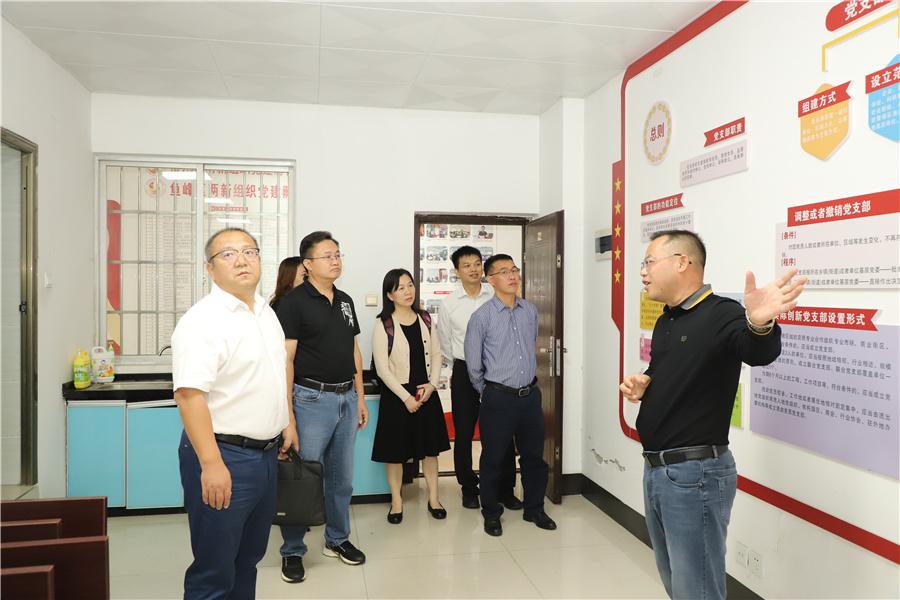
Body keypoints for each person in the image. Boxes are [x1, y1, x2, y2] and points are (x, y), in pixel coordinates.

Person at [619, 230, 806, 600]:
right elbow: (673, 371)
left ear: (682, 262)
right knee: (677, 582)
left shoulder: (722, 313)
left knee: (697, 589)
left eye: (649, 262)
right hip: (658, 471)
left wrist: (760, 323)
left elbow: (756, 351)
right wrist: (645, 383)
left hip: (695, 475)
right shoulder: (668, 319)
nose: (642, 272)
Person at [172, 227, 297, 599]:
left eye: (249, 251)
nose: (241, 260)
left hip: (267, 455)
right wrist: (211, 465)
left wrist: (286, 421)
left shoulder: (265, 312)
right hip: (224, 456)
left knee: (248, 559)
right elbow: (189, 396)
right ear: (210, 269)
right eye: (228, 254)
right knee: (214, 571)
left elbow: (276, 371)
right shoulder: (202, 321)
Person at [276, 231, 368, 583]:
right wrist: (288, 417)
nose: (335, 261)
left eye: (338, 254)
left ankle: (337, 539)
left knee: (341, 479)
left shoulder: (345, 300)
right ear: (308, 264)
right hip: (310, 400)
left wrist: (360, 396)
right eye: (327, 256)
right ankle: (292, 550)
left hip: (346, 398)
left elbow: (353, 349)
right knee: (302, 479)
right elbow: (286, 360)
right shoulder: (293, 303)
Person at [464, 253, 555, 537]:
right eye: (503, 272)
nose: (512, 276)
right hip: (498, 398)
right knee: (493, 459)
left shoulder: (530, 311)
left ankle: (534, 509)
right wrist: (487, 392)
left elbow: (529, 347)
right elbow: (473, 364)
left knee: (534, 457)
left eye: (514, 270)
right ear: (490, 280)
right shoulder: (481, 317)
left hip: (530, 396)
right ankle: (491, 513)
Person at [437, 246, 521, 511]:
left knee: (501, 431)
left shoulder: (495, 294)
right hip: (464, 371)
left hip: (497, 370)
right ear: (456, 271)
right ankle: (469, 488)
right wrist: (466, 363)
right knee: (463, 433)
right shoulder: (449, 304)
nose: (473, 269)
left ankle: (504, 489)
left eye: (477, 263)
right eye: (466, 265)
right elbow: (446, 343)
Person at [371, 269, 450, 523]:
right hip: (397, 397)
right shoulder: (383, 325)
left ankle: (434, 498)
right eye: (400, 288)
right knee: (395, 453)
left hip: (425, 394)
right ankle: (396, 502)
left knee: (430, 451)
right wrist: (406, 398)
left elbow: (436, 354)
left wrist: (432, 385)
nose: (408, 292)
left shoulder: (425, 318)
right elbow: (382, 369)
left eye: (410, 285)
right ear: (390, 295)